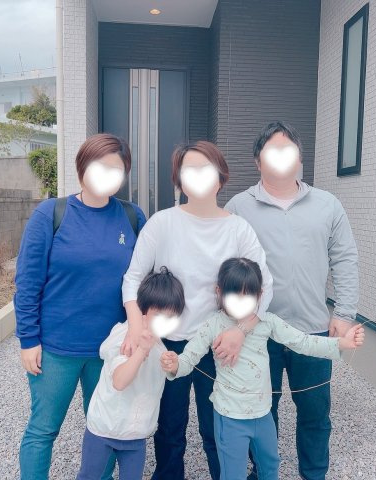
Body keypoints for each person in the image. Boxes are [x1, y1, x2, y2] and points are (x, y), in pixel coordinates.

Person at [121, 141, 274, 479]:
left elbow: (265, 286)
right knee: (169, 428)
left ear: (221, 176)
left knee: (219, 426)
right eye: (190, 170)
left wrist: (240, 331)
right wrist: (136, 326)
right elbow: (132, 279)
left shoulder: (238, 229)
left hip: (220, 346)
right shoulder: (162, 224)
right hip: (171, 344)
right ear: (179, 179)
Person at [225, 121, 360, 480]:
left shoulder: (327, 205)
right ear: (258, 161)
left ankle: (313, 474)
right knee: (259, 412)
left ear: (300, 158)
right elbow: (223, 268)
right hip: (257, 332)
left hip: (312, 329)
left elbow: (345, 259)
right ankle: (263, 472)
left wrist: (344, 313)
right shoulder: (239, 207)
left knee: (315, 412)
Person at [14, 133, 146, 480]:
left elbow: (144, 279)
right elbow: (27, 282)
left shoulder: (132, 217)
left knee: (105, 428)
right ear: (82, 168)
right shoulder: (51, 214)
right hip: (56, 348)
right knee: (43, 429)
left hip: (110, 350)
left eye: (116, 169)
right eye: (99, 166)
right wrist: (28, 339)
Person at [161, 258, 364, 480]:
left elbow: (303, 342)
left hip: (263, 415)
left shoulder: (267, 322)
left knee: (270, 466)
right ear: (219, 291)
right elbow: (190, 357)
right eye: (234, 295)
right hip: (230, 418)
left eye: (248, 296)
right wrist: (175, 365)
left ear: (260, 295)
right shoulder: (213, 324)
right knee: (233, 474)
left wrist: (341, 343)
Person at [77, 267, 185, 480]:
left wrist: (173, 366)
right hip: (104, 429)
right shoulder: (124, 337)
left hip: (136, 434)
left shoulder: (160, 348)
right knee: (89, 476)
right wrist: (142, 351)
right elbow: (119, 381)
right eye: (159, 315)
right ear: (142, 311)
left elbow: (165, 376)